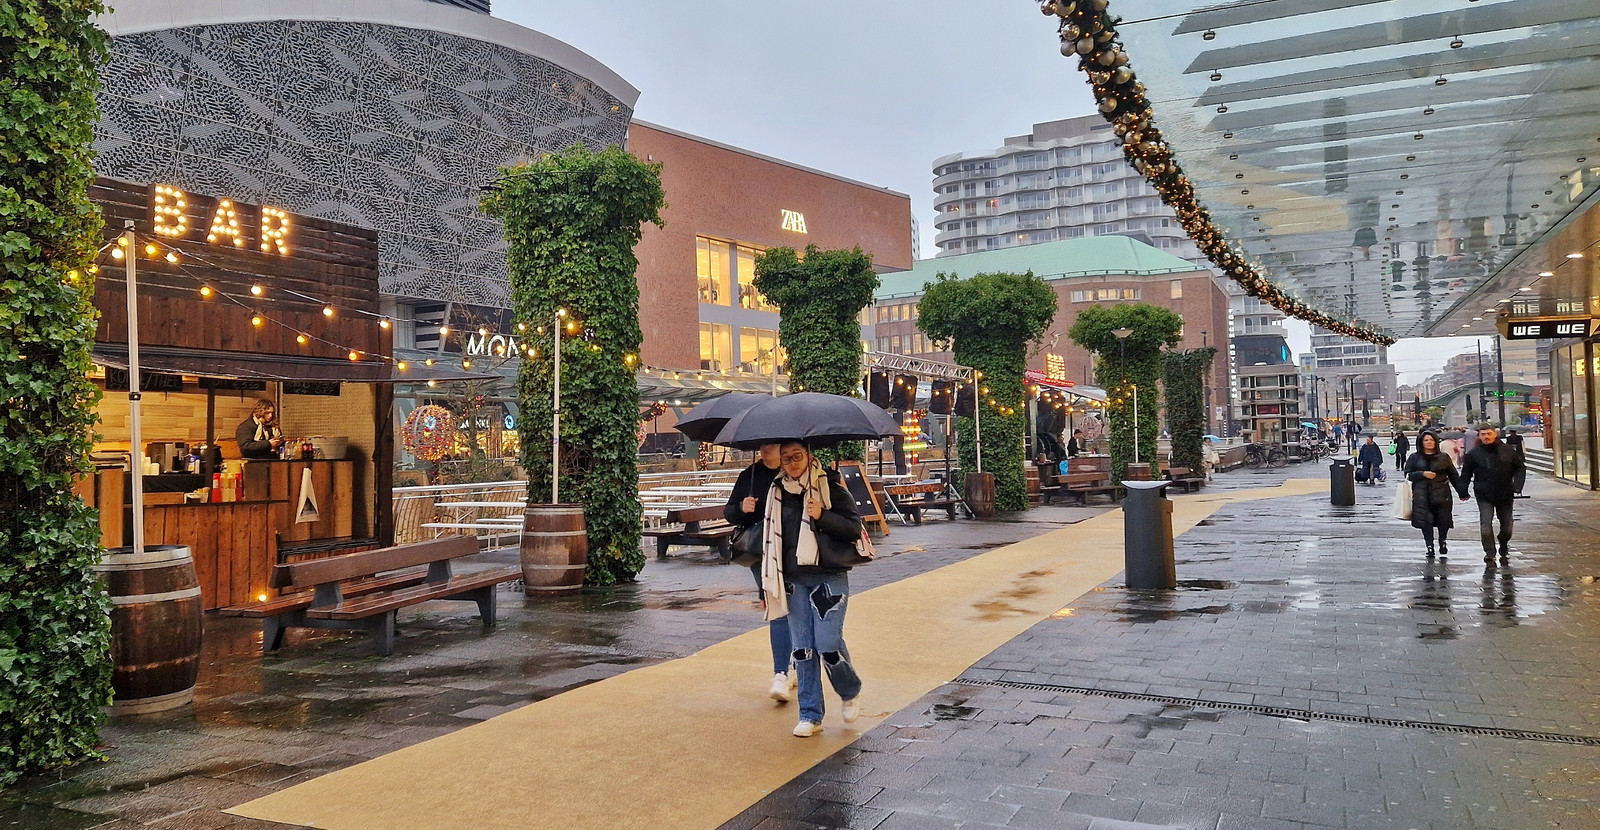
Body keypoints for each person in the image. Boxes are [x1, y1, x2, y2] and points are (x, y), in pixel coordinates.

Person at [761, 440, 864, 737]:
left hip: (827, 576)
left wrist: (822, 515)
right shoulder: (776, 492)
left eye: (797, 457)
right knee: (803, 649)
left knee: (828, 646)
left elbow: (854, 528)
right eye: (786, 459)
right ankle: (810, 713)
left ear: (809, 456)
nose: (792, 464)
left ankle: (849, 690)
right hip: (793, 580)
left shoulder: (830, 485)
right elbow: (771, 539)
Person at [723, 442, 792, 703]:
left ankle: (794, 664)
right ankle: (781, 673)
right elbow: (728, 512)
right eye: (762, 445)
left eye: (772, 444)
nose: (766, 449)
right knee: (777, 608)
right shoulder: (749, 476)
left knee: (794, 607)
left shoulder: (792, 473)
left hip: (792, 550)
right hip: (760, 553)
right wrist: (742, 508)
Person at [1456, 425, 1524, 567]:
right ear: (1479, 436)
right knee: (1485, 525)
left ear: (1495, 434)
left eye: (1489, 434)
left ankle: (1503, 542)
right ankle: (1490, 552)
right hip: (1484, 493)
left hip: (1505, 493)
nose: (1486, 437)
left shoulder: (1507, 451)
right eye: (1483, 434)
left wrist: (1517, 485)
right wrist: (1463, 491)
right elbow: (1466, 473)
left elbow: (1520, 467)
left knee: (1507, 526)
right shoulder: (1474, 454)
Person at [1405, 431, 1458, 558]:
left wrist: (1462, 491)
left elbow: (1453, 475)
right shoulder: (1414, 457)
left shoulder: (1443, 457)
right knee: (1425, 521)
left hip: (1441, 494)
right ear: (1421, 442)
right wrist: (1422, 474)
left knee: (1443, 520)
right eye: (1426, 440)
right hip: (1422, 495)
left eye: (1431, 440)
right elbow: (1408, 475)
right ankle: (1429, 546)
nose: (1429, 442)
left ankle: (1442, 541)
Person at [1502, 428, 1527, 496]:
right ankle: (1514, 488)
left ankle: (1517, 488)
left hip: (1518, 454)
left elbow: (1522, 444)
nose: (1512, 434)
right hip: (1512, 455)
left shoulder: (1519, 437)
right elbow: (1507, 446)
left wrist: (1524, 451)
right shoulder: (1509, 438)